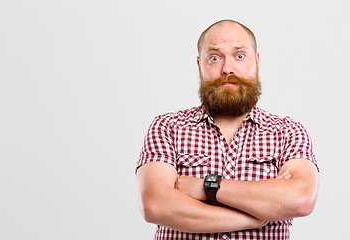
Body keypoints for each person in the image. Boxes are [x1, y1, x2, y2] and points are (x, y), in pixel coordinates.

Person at [135, 19, 319, 240]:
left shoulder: (287, 132)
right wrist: (252, 218)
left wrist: (206, 186)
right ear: (199, 65)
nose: (227, 69)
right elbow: (156, 205)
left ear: (257, 61)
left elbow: (300, 200)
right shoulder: (167, 127)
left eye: (239, 55)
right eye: (214, 58)